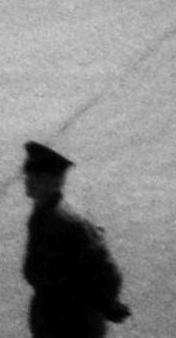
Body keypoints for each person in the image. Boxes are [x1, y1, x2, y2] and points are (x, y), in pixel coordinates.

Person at [21, 142, 128, 337]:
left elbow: (106, 270)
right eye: (28, 175)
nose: (28, 181)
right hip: (54, 319)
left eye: (37, 177)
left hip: (73, 324)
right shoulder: (42, 214)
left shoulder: (66, 221)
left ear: (55, 182)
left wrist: (107, 304)